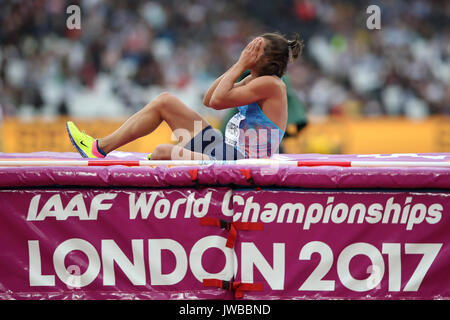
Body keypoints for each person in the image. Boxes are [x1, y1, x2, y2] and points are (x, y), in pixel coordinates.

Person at [66, 33, 303, 160]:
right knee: (166, 101)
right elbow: (209, 99)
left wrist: (241, 63)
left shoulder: (272, 85)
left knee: (162, 151)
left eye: (254, 49)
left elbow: (219, 102)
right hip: (224, 149)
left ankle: (165, 164)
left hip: (236, 162)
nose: (247, 50)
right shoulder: (257, 80)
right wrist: (240, 65)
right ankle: (99, 148)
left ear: (266, 59)